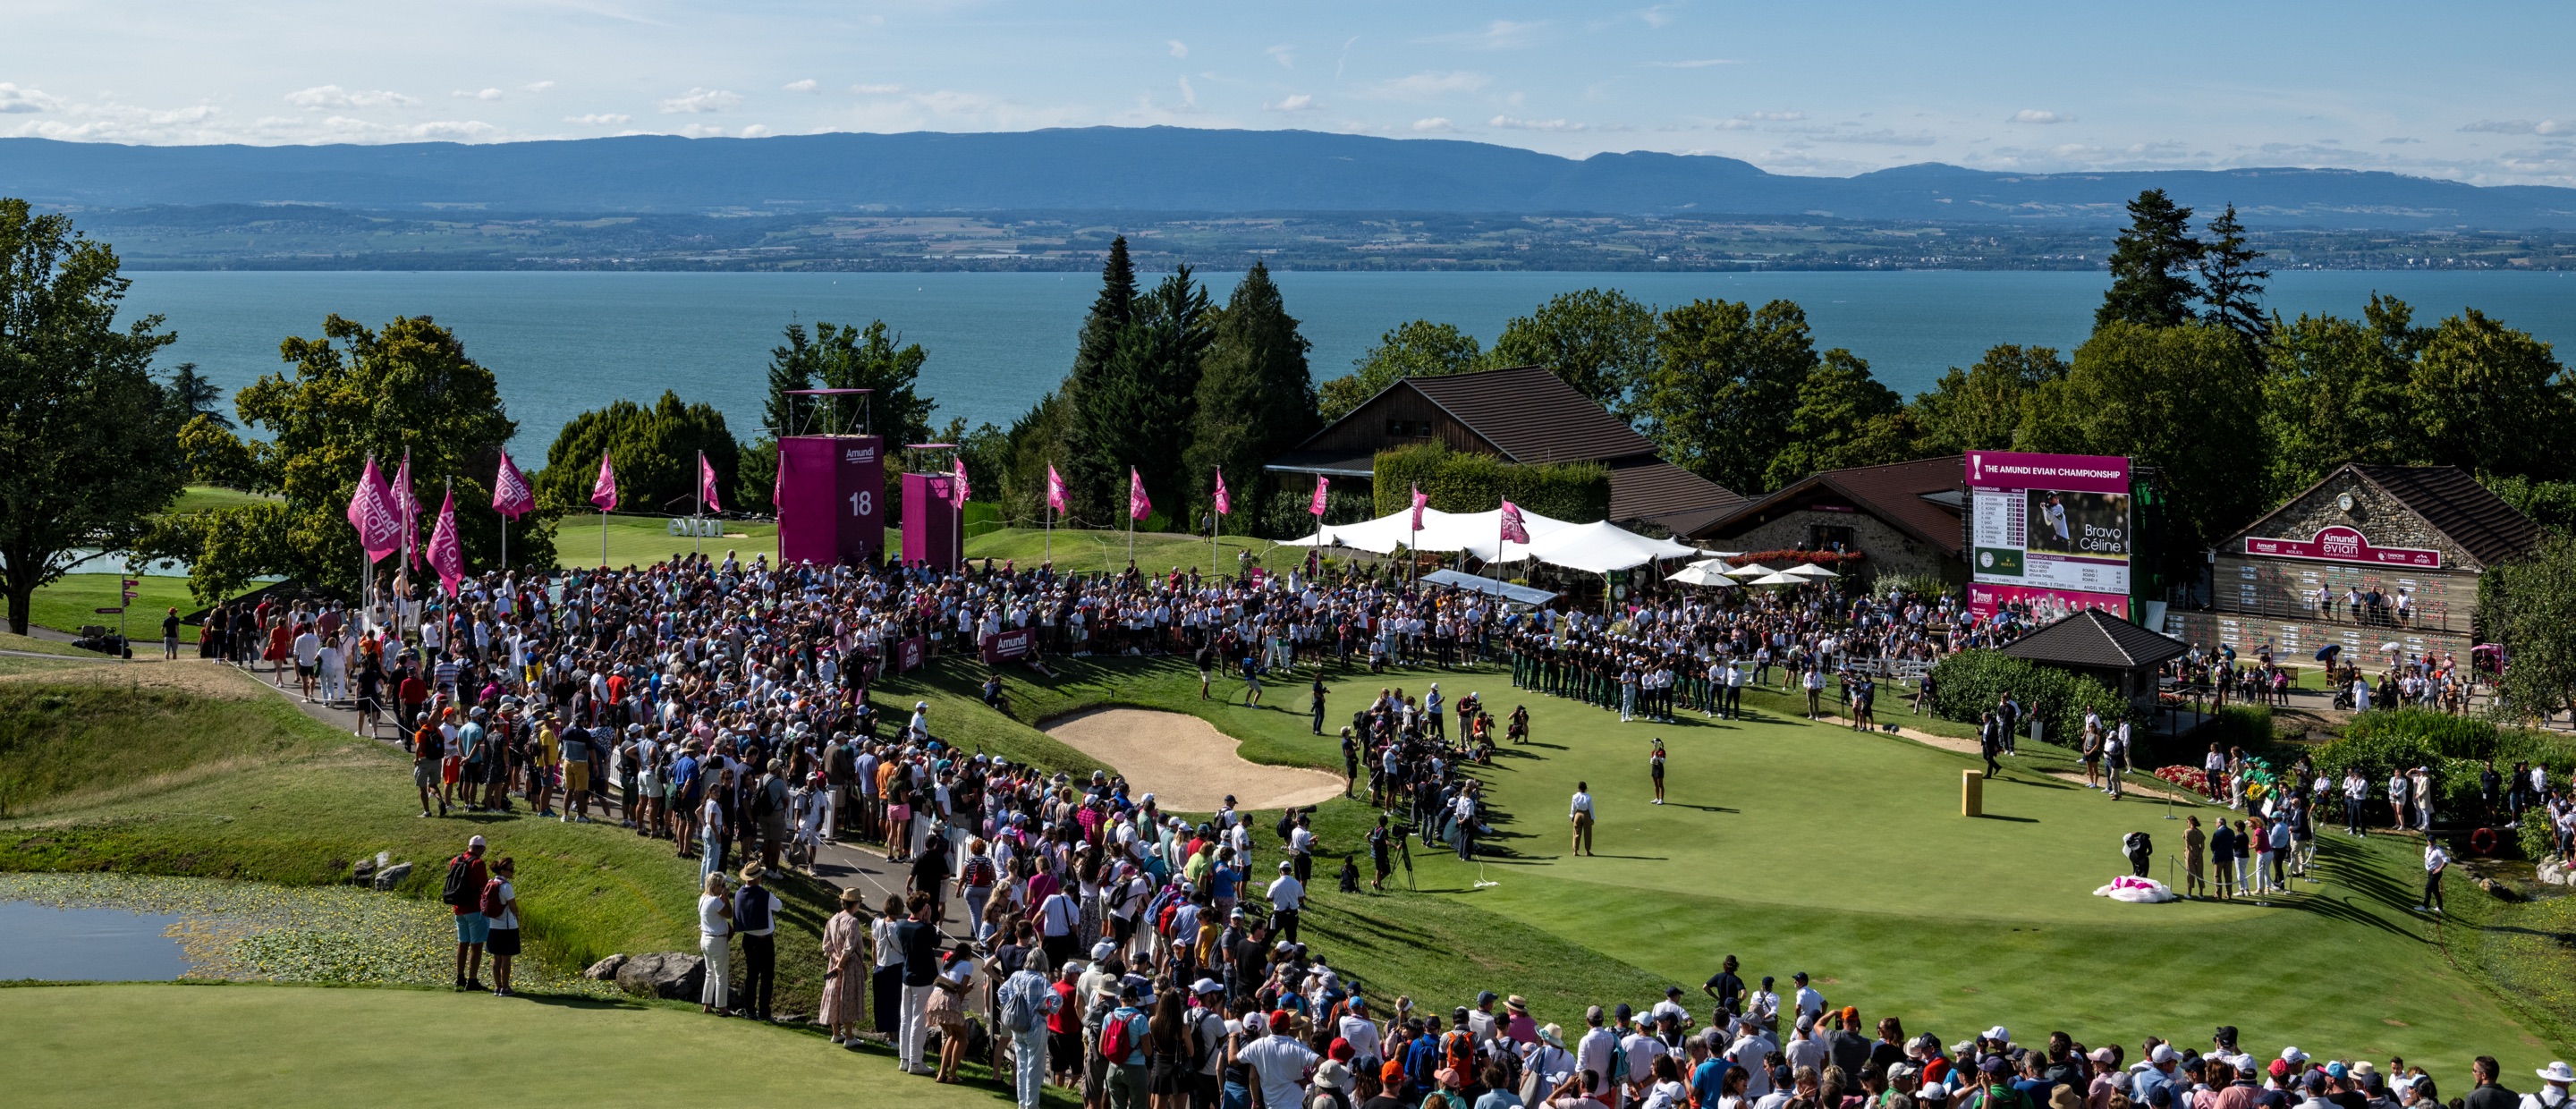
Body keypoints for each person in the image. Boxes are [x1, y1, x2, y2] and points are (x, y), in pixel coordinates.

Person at [896, 891, 941, 1075]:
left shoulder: (901, 926)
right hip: (923, 979)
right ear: (923, 909)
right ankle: (915, 1061)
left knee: (906, 1018)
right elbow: (936, 942)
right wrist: (929, 921)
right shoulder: (924, 928)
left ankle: (904, 1059)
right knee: (918, 1020)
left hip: (907, 977)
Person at [1241, 1010, 1319, 1109]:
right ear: (1290, 1029)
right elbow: (1322, 1065)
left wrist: (1256, 1102)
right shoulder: (1300, 1049)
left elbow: (1252, 1077)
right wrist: (1308, 1079)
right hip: (1296, 1104)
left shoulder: (1261, 1047)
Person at [820, 887, 869, 1046]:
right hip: (848, 965)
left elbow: (826, 946)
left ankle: (836, 1033)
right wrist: (841, 964)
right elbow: (849, 948)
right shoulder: (852, 921)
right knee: (847, 997)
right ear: (855, 903)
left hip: (834, 963)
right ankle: (849, 1037)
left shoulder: (833, 919)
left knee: (835, 994)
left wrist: (835, 960)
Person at [734, 863, 783, 1020]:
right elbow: (779, 906)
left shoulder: (739, 893)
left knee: (752, 975)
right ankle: (764, 1012)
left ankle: (750, 1010)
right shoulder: (765, 895)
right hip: (764, 941)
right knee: (767, 977)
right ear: (758, 878)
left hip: (748, 939)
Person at [445, 834, 488, 992]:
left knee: (462, 943)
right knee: (476, 946)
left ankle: (460, 978)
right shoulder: (478, 863)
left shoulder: (455, 860)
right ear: (480, 848)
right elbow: (484, 888)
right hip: (474, 909)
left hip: (458, 908)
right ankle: (472, 980)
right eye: (483, 849)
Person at [481, 856, 520, 997]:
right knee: (506, 959)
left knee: (496, 958)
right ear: (503, 871)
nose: (512, 872)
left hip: (493, 926)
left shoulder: (490, 882)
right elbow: (513, 907)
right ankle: (505, 988)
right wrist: (518, 915)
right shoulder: (506, 886)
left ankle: (497, 987)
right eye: (510, 869)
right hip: (508, 927)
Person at [697, 871, 733, 1015]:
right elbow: (729, 913)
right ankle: (722, 1008)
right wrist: (726, 898)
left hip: (705, 939)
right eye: (721, 885)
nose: (723, 887)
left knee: (710, 973)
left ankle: (707, 1005)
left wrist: (721, 897)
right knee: (721, 975)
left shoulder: (703, 898)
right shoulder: (715, 901)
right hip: (716, 940)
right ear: (714, 886)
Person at [2421, 838, 2449, 915]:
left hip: (2435, 873)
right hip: (2430, 872)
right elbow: (2427, 857)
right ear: (2427, 841)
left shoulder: (2438, 850)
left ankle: (2425, 907)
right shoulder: (2427, 849)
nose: (2430, 843)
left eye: (2432, 841)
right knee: (2435, 890)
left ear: (2435, 842)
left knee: (2428, 888)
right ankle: (2439, 908)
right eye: (2429, 841)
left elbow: (2446, 860)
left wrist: (2439, 869)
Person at [1570, 782, 1595, 857]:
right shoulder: (1588, 797)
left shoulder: (1574, 796)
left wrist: (1572, 816)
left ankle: (1575, 851)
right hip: (1586, 814)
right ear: (1585, 788)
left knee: (1576, 832)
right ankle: (1587, 851)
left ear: (1578, 788)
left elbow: (1573, 808)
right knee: (1587, 832)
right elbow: (1591, 808)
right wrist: (1592, 818)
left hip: (1577, 814)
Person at [1648, 739, 1667, 806]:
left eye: (1654, 743)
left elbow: (1663, 761)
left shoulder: (1662, 752)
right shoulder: (1653, 751)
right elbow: (1651, 761)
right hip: (1654, 768)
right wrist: (1654, 758)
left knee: (1660, 785)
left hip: (1659, 768)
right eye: (1653, 743)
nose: (1653, 744)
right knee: (1656, 784)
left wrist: (1658, 756)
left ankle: (1661, 799)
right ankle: (1657, 798)